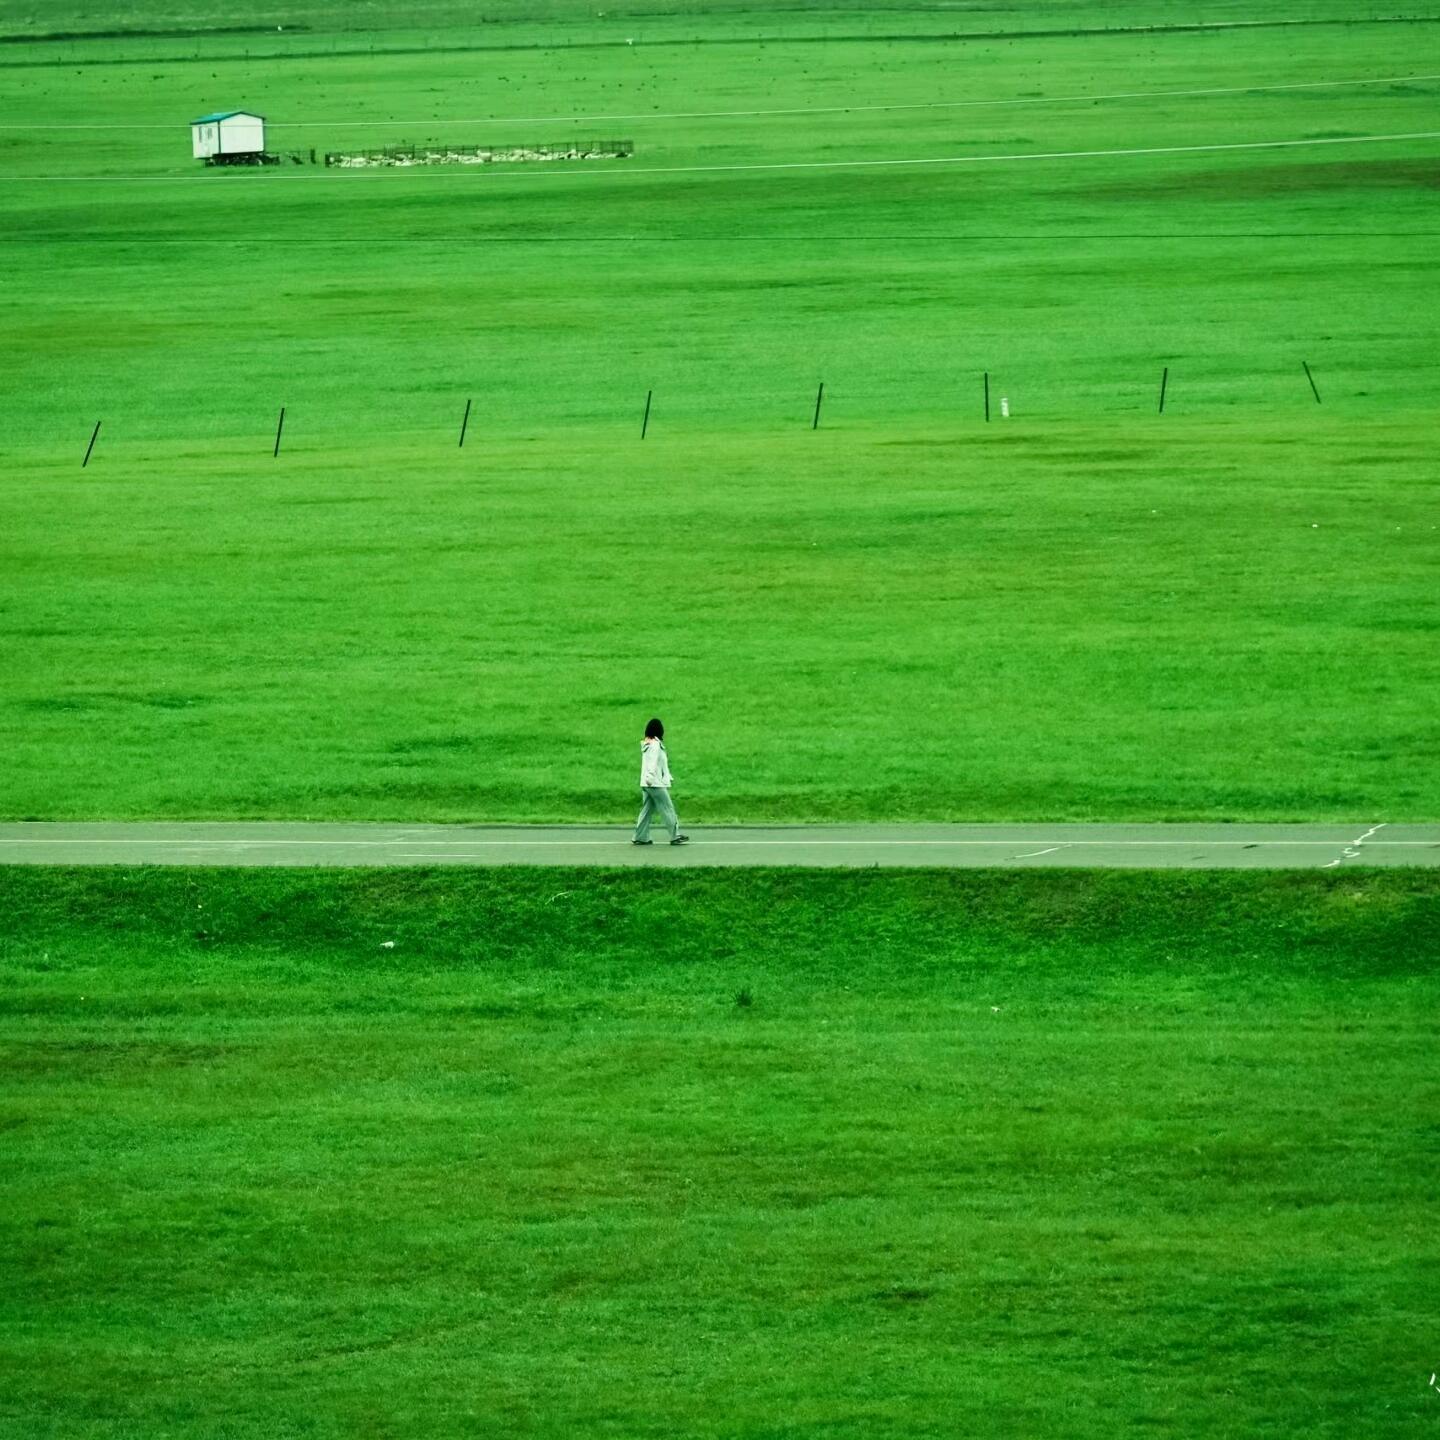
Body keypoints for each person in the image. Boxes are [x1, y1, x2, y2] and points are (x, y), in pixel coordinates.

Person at [633, 717, 688, 846]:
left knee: (647, 810)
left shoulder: (646, 744)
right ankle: (675, 835)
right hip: (654, 783)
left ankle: (640, 836)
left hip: (646, 783)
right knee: (667, 808)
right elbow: (653, 763)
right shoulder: (655, 744)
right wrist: (652, 777)